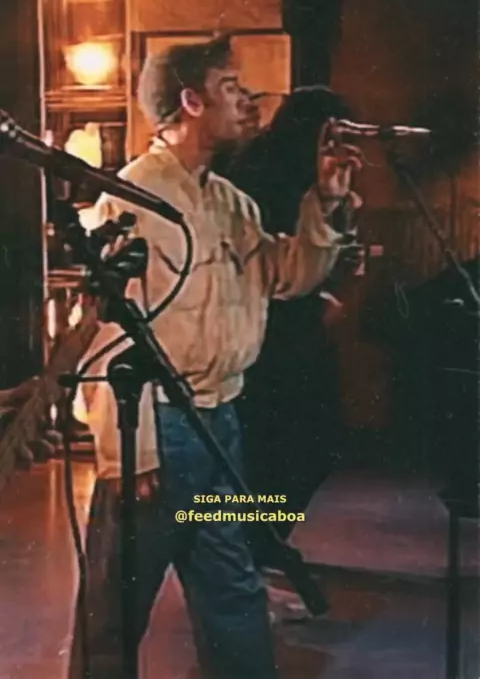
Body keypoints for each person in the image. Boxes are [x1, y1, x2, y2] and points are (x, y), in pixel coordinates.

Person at [69, 36, 361, 679]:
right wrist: (130, 452)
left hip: (218, 424)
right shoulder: (132, 198)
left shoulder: (229, 203)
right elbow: (106, 335)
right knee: (115, 609)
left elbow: (288, 275)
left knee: (232, 591)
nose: (248, 101)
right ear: (191, 101)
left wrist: (325, 204)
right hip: (158, 430)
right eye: (231, 86)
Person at [216, 87, 363, 563]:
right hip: (266, 327)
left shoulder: (310, 171)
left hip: (298, 325)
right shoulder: (258, 170)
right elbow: (271, 259)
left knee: (315, 441)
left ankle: (265, 536)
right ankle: (257, 541)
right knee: (274, 443)